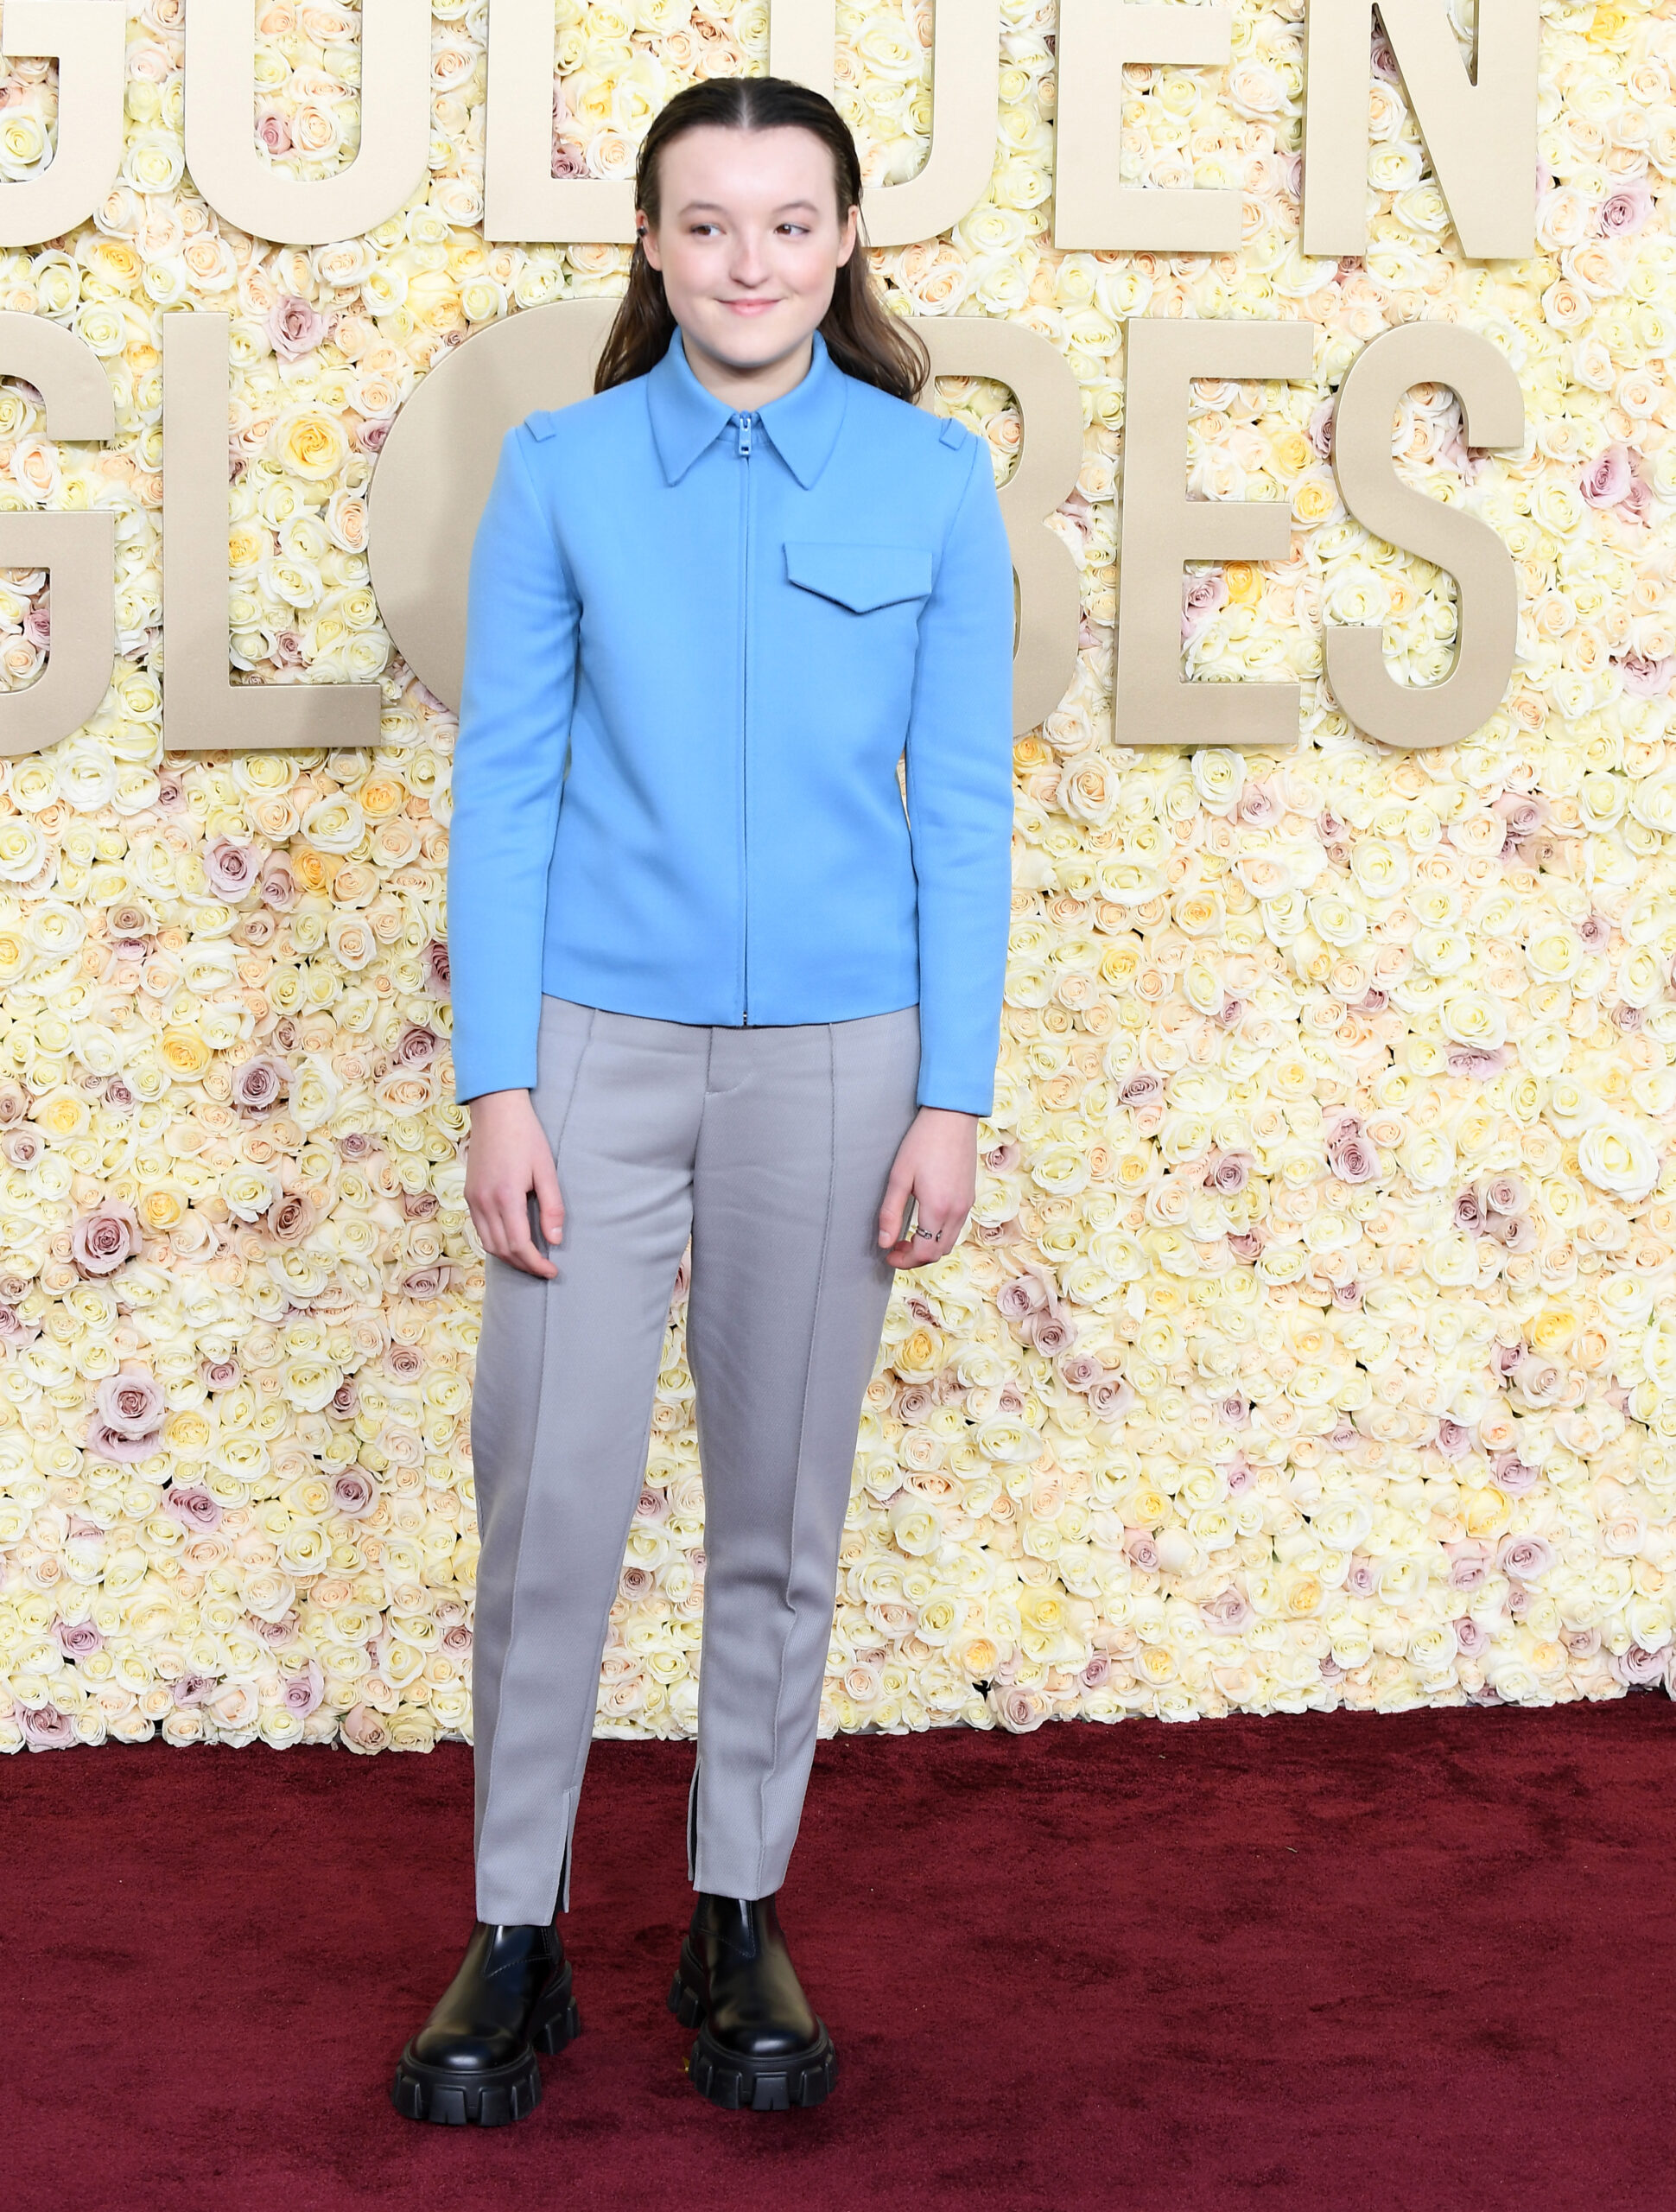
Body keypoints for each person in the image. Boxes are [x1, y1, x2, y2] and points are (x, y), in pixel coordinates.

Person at [390, 73, 1016, 2127]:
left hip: (844, 1068)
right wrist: (499, 1080)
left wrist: (953, 1091)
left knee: (779, 1513)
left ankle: (734, 1901)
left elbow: (966, 813)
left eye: (786, 219)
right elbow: (502, 789)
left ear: (843, 244)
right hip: (593, 1047)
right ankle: (516, 1927)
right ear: (650, 249)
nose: (748, 259)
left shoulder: (930, 482)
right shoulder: (563, 471)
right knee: (551, 1501)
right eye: (706, 221)